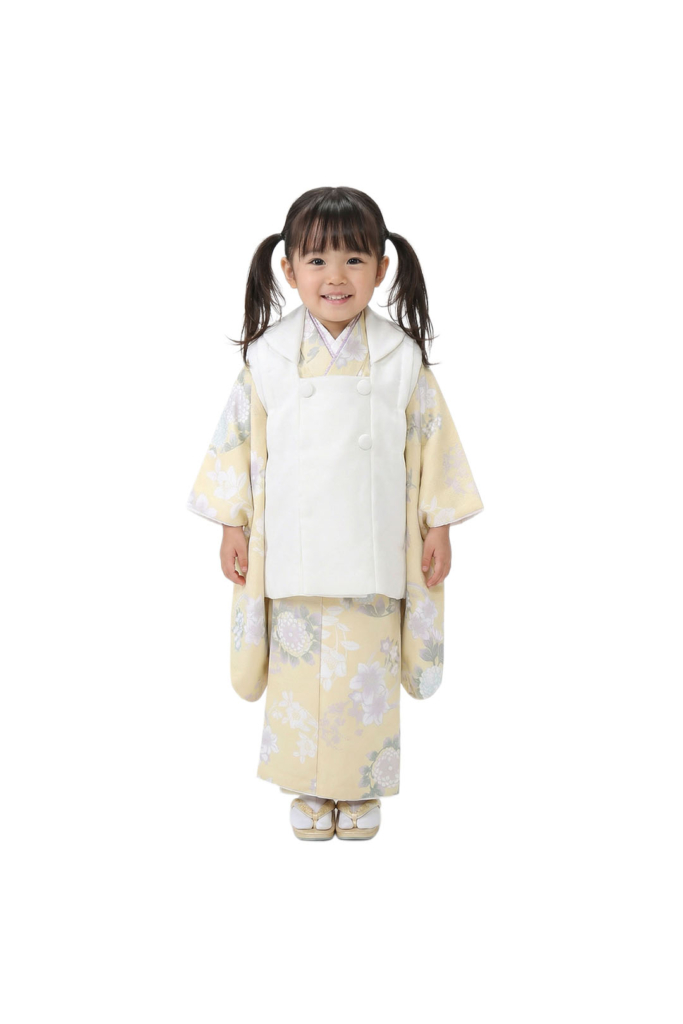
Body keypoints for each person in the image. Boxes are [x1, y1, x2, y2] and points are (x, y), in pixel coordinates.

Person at [187, 186, 484, 841]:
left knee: (362, 673)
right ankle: (309, 787)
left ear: (382, 268)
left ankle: (360, 784)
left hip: (372, 550)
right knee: (299, 678)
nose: (336, 276)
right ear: (288, 269)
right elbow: (239, 442)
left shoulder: (399, 357)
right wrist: (233, 524)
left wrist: (438, 525)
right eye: (317, 260)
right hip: (293, 551)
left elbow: (430, 442)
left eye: (354, 259)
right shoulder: (268, 357)